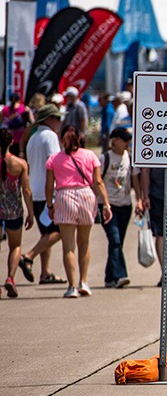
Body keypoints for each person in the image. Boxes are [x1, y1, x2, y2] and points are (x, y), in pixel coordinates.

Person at [45, 125, 112, 298]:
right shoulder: (90, 156)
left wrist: (50, 206)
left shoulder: (54, 159)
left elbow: (49, 186)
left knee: (68, 246)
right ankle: (84, 282)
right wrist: (106, 204)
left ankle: (72, 286)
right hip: (86, 195)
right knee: (84, 242)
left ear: (61, 139)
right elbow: (98, 182)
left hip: (64, 196)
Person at [20, 104, 63, 285]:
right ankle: (28, 256)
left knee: (46, 233)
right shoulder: (50, 136)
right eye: (56, 118)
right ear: (49, 119)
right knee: (59, 230)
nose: (59, 122)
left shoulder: (33, 137)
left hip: (35, 191)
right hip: (48, 191)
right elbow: (56, 163)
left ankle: (45, 272)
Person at [0, 128, 34, 298]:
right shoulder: (20, 164)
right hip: (14, 210)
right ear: (11, 142)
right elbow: (27, 190)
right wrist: (31, 213)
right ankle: (10, 278)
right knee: (15, 246)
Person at [100, 128, 136, 288]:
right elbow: (96, 181)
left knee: (118, 242)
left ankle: (109, 277)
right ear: (114, 140)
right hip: (108, 206)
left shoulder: (130, 158)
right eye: (124, 140)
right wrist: (99, 204)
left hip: (125, 205)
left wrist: (141, 199)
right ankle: (120, 275)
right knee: (114, 239)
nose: (127, 143)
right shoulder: (104, 158)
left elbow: (135, 178)